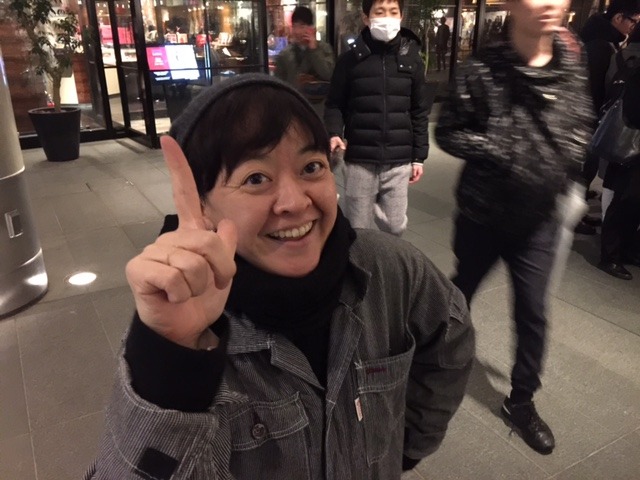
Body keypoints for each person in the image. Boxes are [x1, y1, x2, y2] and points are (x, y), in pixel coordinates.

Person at [85, 74, 474, 479]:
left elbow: (451, 337)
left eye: (311, 167)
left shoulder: (391, 268)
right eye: (256, 178)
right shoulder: (183, 328)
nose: (294, 202)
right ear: (202, 205)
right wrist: (171, 361)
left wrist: (407, 446)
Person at [435, 0, 593, 456]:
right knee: (459, 293)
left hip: (539, 220)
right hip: (483, 215)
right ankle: (431, 361)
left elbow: (581, 124)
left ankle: (521, 400)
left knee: (533, 312)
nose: (548, 4)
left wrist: (565, 168)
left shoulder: (570, 66)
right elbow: (448, 132)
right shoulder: (482, 69)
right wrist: (501, 149)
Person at [324, 0, 430, 237]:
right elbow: (334, 104)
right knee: (358, 229)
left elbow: (419, 111)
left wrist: (419, 157)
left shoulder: (412, 60)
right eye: (379, 12)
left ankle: (369, 209)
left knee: (395, 226)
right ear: (366, 17)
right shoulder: (350, 61)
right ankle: (359, 260)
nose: (386, 17)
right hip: (360, 159)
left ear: (401, 17)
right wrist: (334, 133)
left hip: (399, 159)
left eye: (393, 12)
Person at [576, 0, 640, 234]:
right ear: (618, 18)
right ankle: (573, 219)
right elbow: (593, 88)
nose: (634, 26)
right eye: (633, 21)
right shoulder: (601, 46)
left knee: (586, 168)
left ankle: (577, 211)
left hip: (590, 117)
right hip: (588, 118)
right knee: (583, 168)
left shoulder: (602, 39)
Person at [598, 23, 640, 280]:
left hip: (631, 139)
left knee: (632, 201)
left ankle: (625, 249)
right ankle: (610, 255)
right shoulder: (633, 62)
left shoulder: (624, 56)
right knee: (624, 199)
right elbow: (633, 106)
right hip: (631, 141)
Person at [274, 5, 335, 111]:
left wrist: (313, 50)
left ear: (311, 28)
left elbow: (329, 75)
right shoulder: (284, 55)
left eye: (302, 26)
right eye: (294, 26)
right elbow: (278, 87)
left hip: (319, 109)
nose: (297, 31)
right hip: (293, 109)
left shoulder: (324, 49)